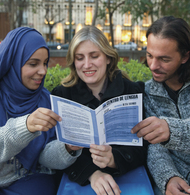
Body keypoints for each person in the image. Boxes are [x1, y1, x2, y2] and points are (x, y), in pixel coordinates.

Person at [0, 27, 81, 195]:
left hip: (26, 178)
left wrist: (68, 147)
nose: (43, 71)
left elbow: (44, 155)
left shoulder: (44, 99)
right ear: (11, 62)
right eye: (33, 64)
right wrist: (25, 126)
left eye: (45, 63)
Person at [131, 16, 190, 195]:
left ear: (185, 56)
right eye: (149, 55)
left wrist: (171, 131)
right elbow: (154, 147)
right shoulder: (147, 92)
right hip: (179, 180)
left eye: (164, 59)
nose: (153, 66)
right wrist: (168, 178)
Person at [51, 26, 149, 195]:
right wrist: (91, 173)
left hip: (128, 179)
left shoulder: (132, 91)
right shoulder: (62, 95)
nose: (87, 64)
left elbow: (144, 145)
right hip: (82, 182)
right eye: (79, 58)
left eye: (94, 56)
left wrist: (114, 159)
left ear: (108, 58)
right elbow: (56, 149)